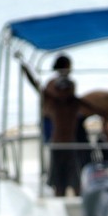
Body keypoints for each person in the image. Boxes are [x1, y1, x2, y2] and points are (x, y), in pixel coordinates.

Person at [20, 54, 91, 196]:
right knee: (59, 185)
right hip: (58, 145)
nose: (65, 91)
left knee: (75, 183)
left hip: (70, 145)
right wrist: (26, 69)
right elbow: (37, 86)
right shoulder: (53, 100)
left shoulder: (75, 103)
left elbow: (97, 109)